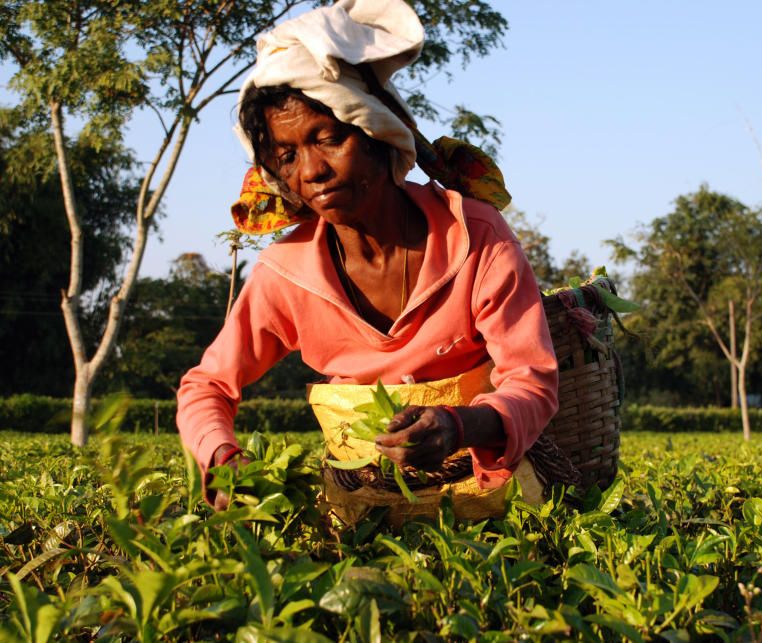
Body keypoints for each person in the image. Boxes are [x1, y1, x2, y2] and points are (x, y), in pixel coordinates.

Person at [176, 0, 559, 515]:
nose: (311, 171)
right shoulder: (286, 274)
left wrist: (458, 424)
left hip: (489, 501)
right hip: (356, 512)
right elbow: (207, 385)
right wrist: (224, 457)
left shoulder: (475, 237)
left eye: (328, 138)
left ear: (377, 133)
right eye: (287, 156)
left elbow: (532, 383)